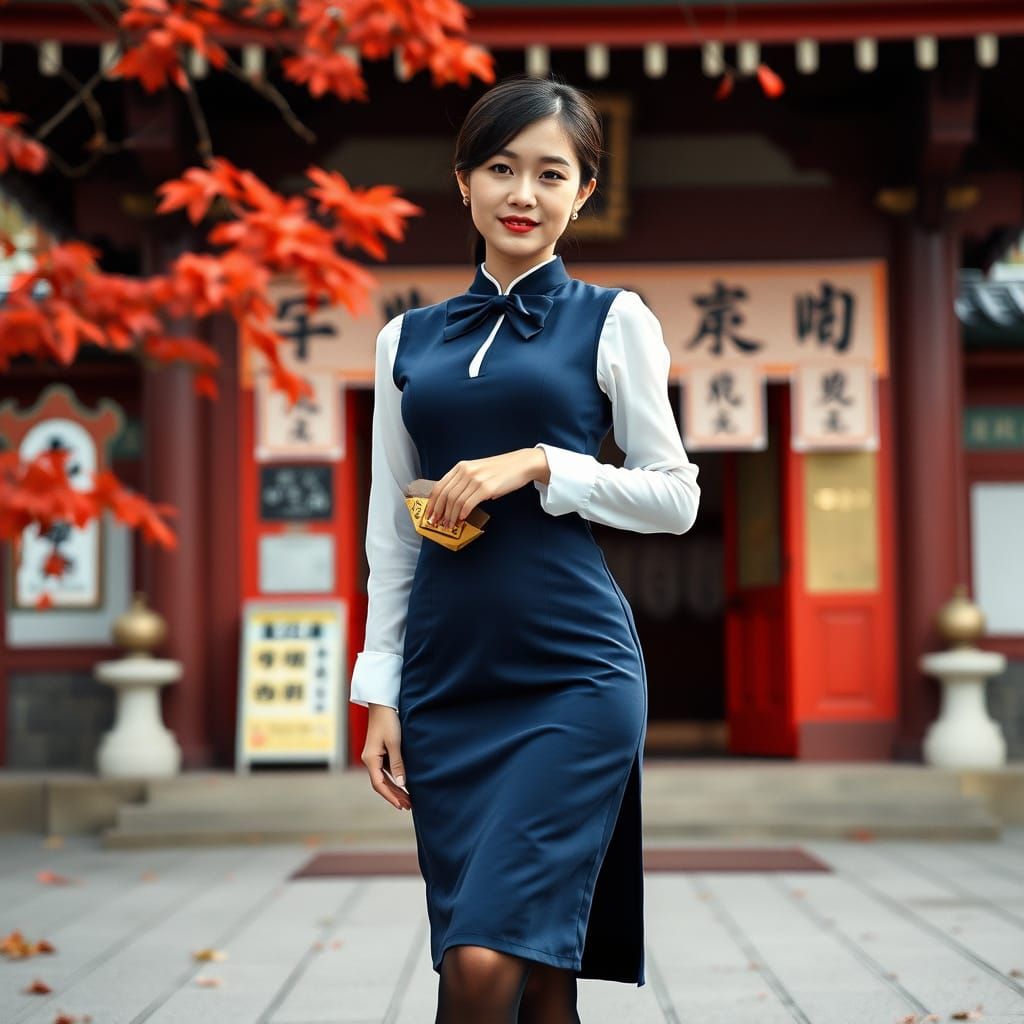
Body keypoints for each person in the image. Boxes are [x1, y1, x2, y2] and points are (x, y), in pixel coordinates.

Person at [350, 72, 701, 1024]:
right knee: (541, 979)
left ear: (583, 193)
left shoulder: (614, 318)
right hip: (448, 681)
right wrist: (380, 688)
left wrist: (545, 465)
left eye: (552, 174)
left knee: (479, 965)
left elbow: (676, 499)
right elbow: (392, 530)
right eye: (501, 168)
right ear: (462, 180)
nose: (523, 194)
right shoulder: (404, 343)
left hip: (573, 674)